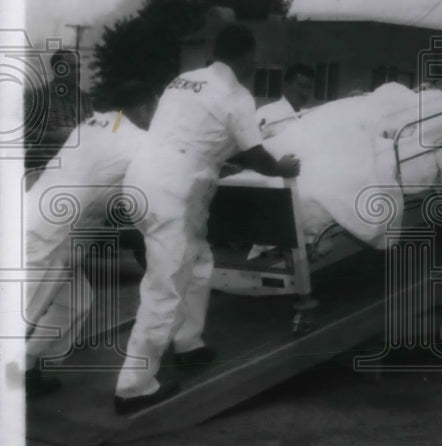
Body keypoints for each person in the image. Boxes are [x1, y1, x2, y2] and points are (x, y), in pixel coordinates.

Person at [113, 25, 301, 414]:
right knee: (165, 286)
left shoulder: (183, 80)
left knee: (198, 264)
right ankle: (133, 386)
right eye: (255, 57)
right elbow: (256, 156)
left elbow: (193, 133)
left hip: (142, 180)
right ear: (247, 57)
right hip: (174, 192)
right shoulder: (237, 95)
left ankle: (188, 344)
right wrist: (281, 167)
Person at [21, 81, 158, 398]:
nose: (155, 116)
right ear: (142, 109)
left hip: (44, 220)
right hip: (51, 233)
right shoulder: (138, 141)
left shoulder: (94, 123)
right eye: (154, 108)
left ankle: (26, 367)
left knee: (75, 302)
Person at [24, 49, 94, 173]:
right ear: (58, 70)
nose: (77, 72)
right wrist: (54, 135)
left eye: (78, 67)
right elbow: (21, 130)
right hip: (48, 168)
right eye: (72, 68)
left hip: (81, 168)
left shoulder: (84, 99)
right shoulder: (39, 97)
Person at [256, 63, 316, 139]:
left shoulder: (310, 117)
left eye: (309, 88)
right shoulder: (266, 113)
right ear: (286, 85)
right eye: (301, 86)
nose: (305, 93)